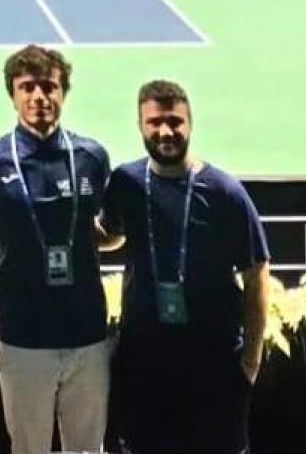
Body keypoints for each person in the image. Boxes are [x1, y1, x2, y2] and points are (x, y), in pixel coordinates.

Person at [100, 81, 270, 454]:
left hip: (214, 368)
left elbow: (256, 275)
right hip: (144, 366)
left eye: (174, 121)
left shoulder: (225, 192)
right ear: (141, 126)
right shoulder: (125, 183)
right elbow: (112, 236)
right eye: (154, 122)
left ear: (190, 124)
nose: (165, 131)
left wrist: (250, 363)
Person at [0, 46, 112, 454]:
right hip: (22, 335)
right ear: (13, 95)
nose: (38, 97)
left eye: (48, 86)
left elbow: (110, 229)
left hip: (85, 331)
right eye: (27, 87)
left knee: (87, 448)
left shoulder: (92, 158)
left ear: (63, 92)